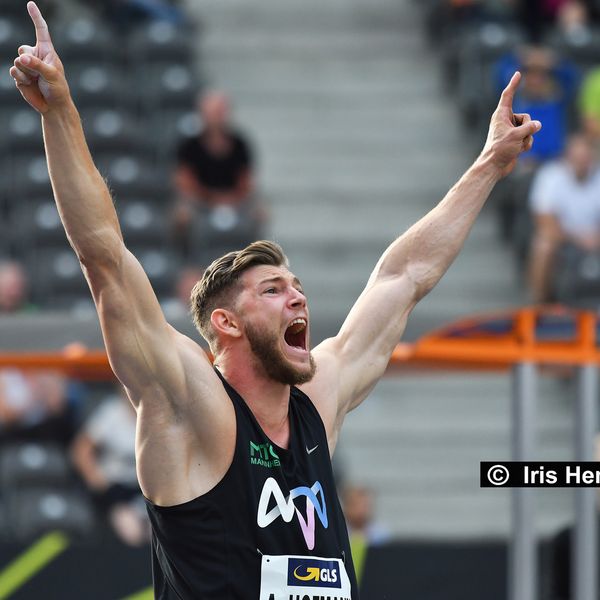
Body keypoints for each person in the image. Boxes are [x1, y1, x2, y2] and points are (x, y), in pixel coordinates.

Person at [9, 3, 541, 598]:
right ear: (225, 323)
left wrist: (490, 164)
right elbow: (105, 258)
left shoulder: (318, 397)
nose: (297, 299)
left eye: (298, 288)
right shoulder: (194, 409)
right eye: (273, 289)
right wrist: (59, 110)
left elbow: (405, 275)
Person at [173, 91, 264, 262]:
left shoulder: (240, 144)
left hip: (236, 201)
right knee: (182, 215)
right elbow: (184, 183)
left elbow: (246, 181)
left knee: (260, 213)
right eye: (212, 112)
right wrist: (212, 199)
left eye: (219, 111)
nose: (216, 117)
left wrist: (231, 199)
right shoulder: (189, 146)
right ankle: (188, 263)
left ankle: (253, 260)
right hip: (200, 203)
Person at [527, 133, 600, 302]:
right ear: (568, 156)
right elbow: (544, 221)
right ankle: (540, 304)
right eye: (577, 157)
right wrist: (578, 238)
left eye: (585, 157)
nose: (581, 162)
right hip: (564, 239)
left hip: (596, 238)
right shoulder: (550, 176)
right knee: (543, 245)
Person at [71, 389, 149, 546]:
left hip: (149, 490)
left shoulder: (156, 412)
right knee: (130, 530)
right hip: (117, 491)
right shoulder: (112, 412)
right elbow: (81, 451)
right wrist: (99, 483)